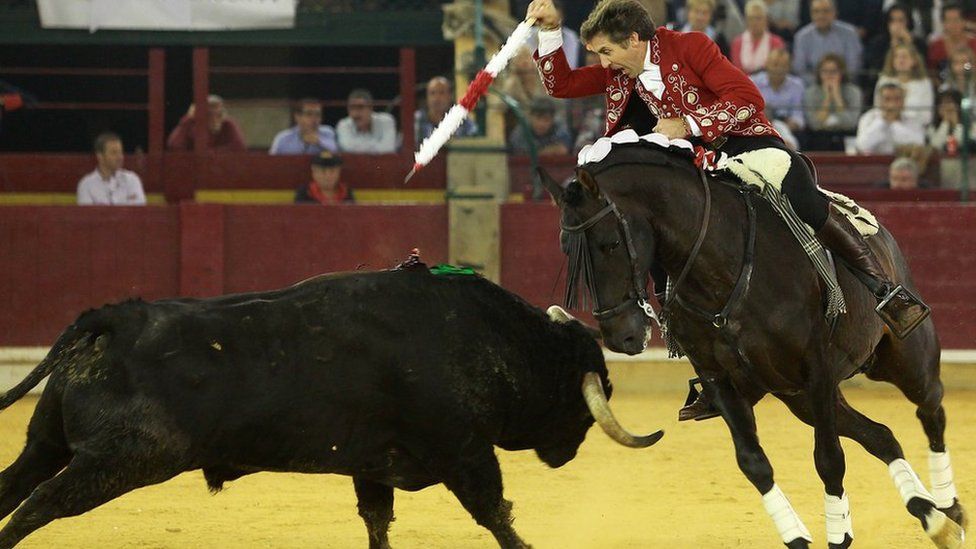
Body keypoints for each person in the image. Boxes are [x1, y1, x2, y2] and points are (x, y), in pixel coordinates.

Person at [528, 0, 928, 420]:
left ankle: (883, 289)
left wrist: (689, 124)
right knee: (648, 225)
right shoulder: (620, 69)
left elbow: (746, 98)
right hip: (686, 163)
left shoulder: (690, 47)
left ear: (633, 39)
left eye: (606, 52)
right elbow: (561, 85)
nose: (603, 62)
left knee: (800, 192)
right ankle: (704, 361)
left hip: (737, 143)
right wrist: (551, 31)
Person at [790, 0, 862, 85]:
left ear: (834, 12)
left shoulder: (850, 33)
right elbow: (799, 70)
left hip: (843, 84)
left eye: (826, 11)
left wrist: (836, 82)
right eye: (816, 11)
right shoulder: (801, 37)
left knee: (854, 94)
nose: (821, 16)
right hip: (813, 86)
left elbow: (854, 66)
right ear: (811, 14)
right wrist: (821, 82)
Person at [864, 4, 929, 85]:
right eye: (892, 21)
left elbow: (923, 68)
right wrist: (892, 48)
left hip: (914, 82)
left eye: (901, 20)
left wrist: (910, 45)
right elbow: (875, 70)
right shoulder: (878, 44)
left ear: (908, 22)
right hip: (885, 84)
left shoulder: (919, 43)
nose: (896, 25)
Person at [76, 132, 146, 206]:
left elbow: (139, 214)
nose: (120, 157)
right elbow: (87, 216)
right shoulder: (86, 185)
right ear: (100, 156)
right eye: (114, 153)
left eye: (120, 152)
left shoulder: (132, 180)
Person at [874, 43, 935, 126]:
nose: (900, 60)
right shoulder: (884, 80)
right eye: (896, 57)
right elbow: (877, 109)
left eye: (904, 57)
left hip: (915, 129)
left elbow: (927, 116)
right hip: (886, 127)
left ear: (914, 61)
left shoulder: (924, 83)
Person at [752, 49, 805, 145]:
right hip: (759, 127)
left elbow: (798, 117)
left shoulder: (797, 85)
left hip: (786, 127)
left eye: (783, 65)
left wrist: (786, 126)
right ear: (766, 64)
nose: (778, 69)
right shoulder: (753, 82)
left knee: (787, 137)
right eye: (775, 64)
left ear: (789, 67)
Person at [855, 83, 926, 154]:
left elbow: (919, 143)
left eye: (897, 99)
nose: (892, 104)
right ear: (879, 101)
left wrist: (894, 124)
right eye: (887, 99)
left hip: (902, 161)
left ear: (903, 101)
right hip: (874, 161)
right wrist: (882, 122)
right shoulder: (868, 118)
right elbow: (861, 145)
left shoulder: (913, 119)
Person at [803, 53, 862, 136]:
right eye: (825, 71)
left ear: (842, 73)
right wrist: (827, 99)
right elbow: (814, 125)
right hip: (818, 137)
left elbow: (851, 124)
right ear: (819, 73)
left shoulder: (853, 92)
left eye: (833, 71)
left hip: (846, 136)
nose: (829, 76)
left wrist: (837, 97)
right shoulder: (810, 93)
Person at [166, 94, 246, 151]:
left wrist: (210, 153)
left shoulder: (227, 124)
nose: (214, 114)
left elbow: (239, 146)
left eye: (217, 111)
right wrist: (188, 119)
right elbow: (174, 146)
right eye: (208, 112)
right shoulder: (190, 125)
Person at [415, 76, 478, 143]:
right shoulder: (417, 119)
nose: (436, 98)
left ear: (450, 96)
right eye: (432, 93)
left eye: (441, 93)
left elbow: (476, 140)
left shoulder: (461, 120)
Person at [731, 0, 786, 75]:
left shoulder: (776, 42)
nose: (754, 22)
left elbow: (776, 69)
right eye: (751, 18)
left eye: (758, 18)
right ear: (746, 21)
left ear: (766, 20)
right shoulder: (737, 42)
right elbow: (737, 70)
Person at [335, 89, 397, 154]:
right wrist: (376, 147)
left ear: (371, 108)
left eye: (360, 107)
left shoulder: (386, 121)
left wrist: (358, 146)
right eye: (352, 108)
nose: (355, 113)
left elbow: (388, 149)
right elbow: (347, 148)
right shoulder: (343, 125)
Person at [269, 98, 339, 155]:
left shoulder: (328, 132)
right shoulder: (283, 138)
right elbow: (271, 162)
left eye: (318, 114)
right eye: (309, 114)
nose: (314, 119)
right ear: (297, 117)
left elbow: (337, 154)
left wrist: (319, 143)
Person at [507, 95, 573, 155]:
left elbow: (562, 150)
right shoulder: (520, 132)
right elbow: (520, 154)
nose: (541, 124)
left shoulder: (559, 128)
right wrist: (549, 150)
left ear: (553, 120)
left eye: (546, 119)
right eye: (538, 118)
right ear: (530, 117)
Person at [926, 2, 976, 72]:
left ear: (964, 22)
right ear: (943, 24)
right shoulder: (936, 46)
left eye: (956, 20)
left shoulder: (974, 44)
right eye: (948, 20)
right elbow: (932, 72)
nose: (953, 24)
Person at [926, 89, 973, 154]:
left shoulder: (971, 125)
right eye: (941, 104)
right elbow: (935, 146)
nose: (945, 108)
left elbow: (965, 144)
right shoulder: (932, 127)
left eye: (948, 103)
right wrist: (945, 123)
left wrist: (956, 124)